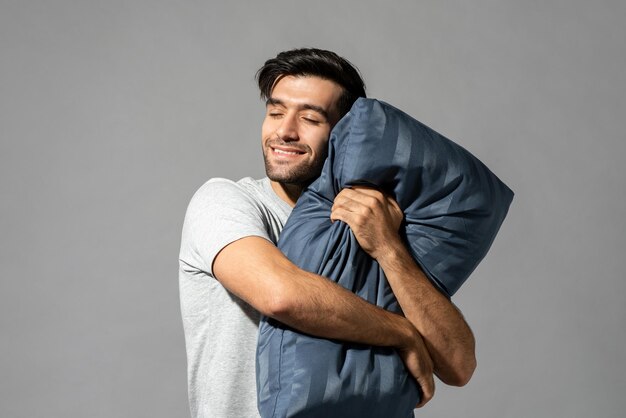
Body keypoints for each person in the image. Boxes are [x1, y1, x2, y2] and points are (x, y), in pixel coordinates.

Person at [179, 48, 476, 418]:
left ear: (344, 133)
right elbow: (280, 295)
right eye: (275, 112)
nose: (284, 131)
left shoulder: (377, 219)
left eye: (310, 118)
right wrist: (402, 333)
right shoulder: (226, 202)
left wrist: (388, 249)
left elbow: (458, 365)